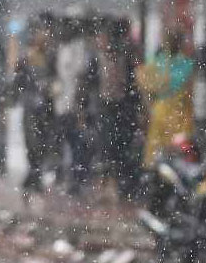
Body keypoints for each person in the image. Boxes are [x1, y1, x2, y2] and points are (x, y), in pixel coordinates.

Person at [93, 18, 142, 200]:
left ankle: (116, 186)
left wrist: (135, 108)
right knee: (105, 147)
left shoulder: (124, 58)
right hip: (104, 107)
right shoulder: (97, 60)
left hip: (121, 108)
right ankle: (104, 186)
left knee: (118, 147)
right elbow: (90, 84)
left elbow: (132, 85)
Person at [139, 24, 197, 169]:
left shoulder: (158, 62)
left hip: (163, 112)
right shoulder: (186, 64)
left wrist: (150, 106)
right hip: (179, 112)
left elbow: (143, 82)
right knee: (179, 154)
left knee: (158, 155)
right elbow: (190, 91)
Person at [51, 20, 96, 195]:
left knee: (77, 143)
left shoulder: (80, 50)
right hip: (62, 104)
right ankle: (65, 177)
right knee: (65, 142)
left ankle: (77, 180)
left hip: (75, 106)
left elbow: (81, 77)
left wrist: (80, 106)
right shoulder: (62, 49)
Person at [15, 16, 54, 193]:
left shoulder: (49, 55)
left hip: (44, 105)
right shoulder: (26, 56)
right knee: (31, 140)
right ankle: (34, 173)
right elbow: (19, 79)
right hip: (31, 104)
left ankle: (36, 174)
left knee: (41, 140)